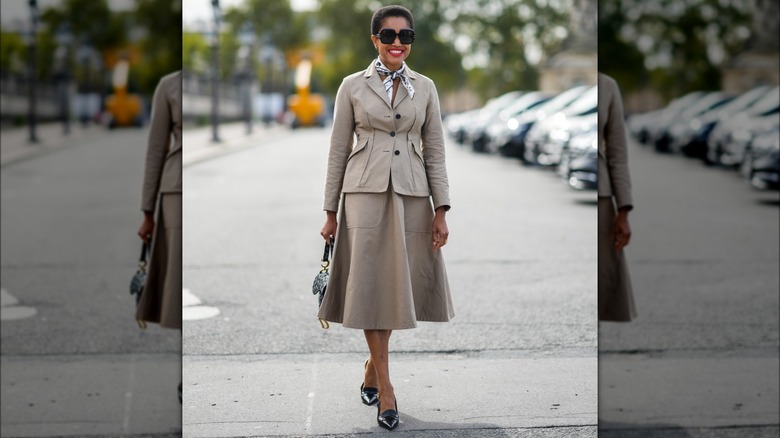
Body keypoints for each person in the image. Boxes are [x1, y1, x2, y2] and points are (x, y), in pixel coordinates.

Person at [318, 5, 454, 431]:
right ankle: (388, 390)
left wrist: (442, 209)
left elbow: (435, 150)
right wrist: (329, 212)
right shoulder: (351, 86)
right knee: (371, 284)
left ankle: (373, 368)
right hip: (362, 194)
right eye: (390, 35)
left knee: (396, 286)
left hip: (412, 196)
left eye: (406, 36)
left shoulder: (426, 88)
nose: (398, 43)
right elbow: (338, 149)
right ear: (374, 39)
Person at [136, 70, 183, 400]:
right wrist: (147, 211)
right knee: (176, 282)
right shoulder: (168, 85)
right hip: (175, 192)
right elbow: (156, 149)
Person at [597, 72, 637, 321]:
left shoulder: (608, 86)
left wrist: (623, 210)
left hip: (601, 198)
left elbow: (618, 154)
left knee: (603, 278)